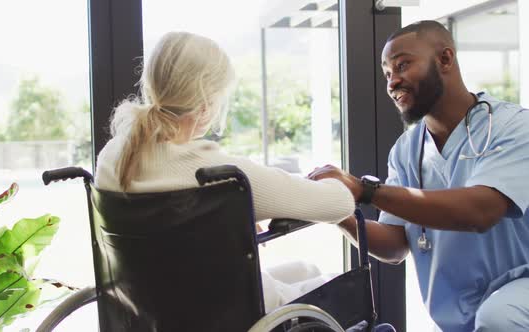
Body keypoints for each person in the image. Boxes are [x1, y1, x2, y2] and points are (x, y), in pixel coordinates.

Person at [94, 31, 357, 313]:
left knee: (306, 268)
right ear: (207, 105)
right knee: (340, 287)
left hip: (153, 307)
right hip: (226, 312)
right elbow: (339, 203)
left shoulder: (113, 157)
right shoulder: (219, 175)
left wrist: (232, 212)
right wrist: (336, 182)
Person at [309, 20, 529, 331]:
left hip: (519, 299)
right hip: (460, 320)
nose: (392, 82)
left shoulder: (514, 127)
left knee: (499, 317)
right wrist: (334, 210)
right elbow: (395, 244)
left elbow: (480, 211)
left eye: (402, 65)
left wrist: (365, 190)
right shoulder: (406, 150)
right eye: (387, 74)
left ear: (445, 59)